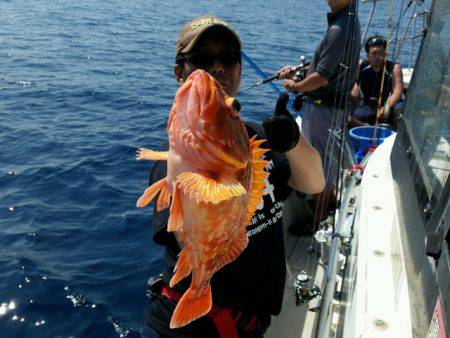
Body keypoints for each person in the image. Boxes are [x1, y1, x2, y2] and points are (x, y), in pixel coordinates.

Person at [141, 15, 325, 338]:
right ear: (178, 74)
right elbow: (178, 227)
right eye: (201, 60)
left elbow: (315, 184)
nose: (217, 68)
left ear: (239, 70)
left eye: (227, 58)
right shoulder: (176, 162)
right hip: (194, 327)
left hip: (252, 323)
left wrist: (293, 141)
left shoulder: (258, 140)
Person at [278, 0, 360, 233]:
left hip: (322, 110)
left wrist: (295, 86)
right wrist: (301, 72)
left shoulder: (338, 29)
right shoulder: (349, 21)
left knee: (320, 164)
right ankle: (328, 203)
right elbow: (334, 68)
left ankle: (318, 219)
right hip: (331, 109)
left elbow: (321, 78)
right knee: (327, 161)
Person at [348, 35, 405, 131]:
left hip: (390, 105)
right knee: (351, 117)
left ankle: (396, 135)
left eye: (382, 53)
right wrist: (354, 86)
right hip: (370, 105)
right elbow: (351, 80)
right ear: (367, 55)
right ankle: (366, 127)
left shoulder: (394, 68)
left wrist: (387, 106)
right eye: (374, 53)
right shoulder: (361, 65)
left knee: (399, 110)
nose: (378, 57)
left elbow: (398, 91)